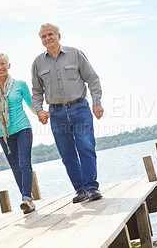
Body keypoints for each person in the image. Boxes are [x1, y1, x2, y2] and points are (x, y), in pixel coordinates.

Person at [31, 23, 104, 203]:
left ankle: (91, 187)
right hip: (57, 113)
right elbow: (36, 91)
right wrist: (39, 110)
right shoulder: (38, 63)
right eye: (43, 36)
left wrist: (97, 102)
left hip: (79, 107)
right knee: (67, 153)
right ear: (41, 40)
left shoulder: (75, 54)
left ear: (58, 36)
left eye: (50, 35)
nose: (47, 38)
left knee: (86, 146)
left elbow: (92, 79)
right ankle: (80, 190)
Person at [0, 52, 36, 214]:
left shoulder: (19, 84)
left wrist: (41, 113)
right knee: (15, 168)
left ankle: (26, 198)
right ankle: (28, 202)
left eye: (2, 64)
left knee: (24, 163)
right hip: (3, 134)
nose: (0, 67)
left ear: (9, 65)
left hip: (23, 128)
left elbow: (30, 104)